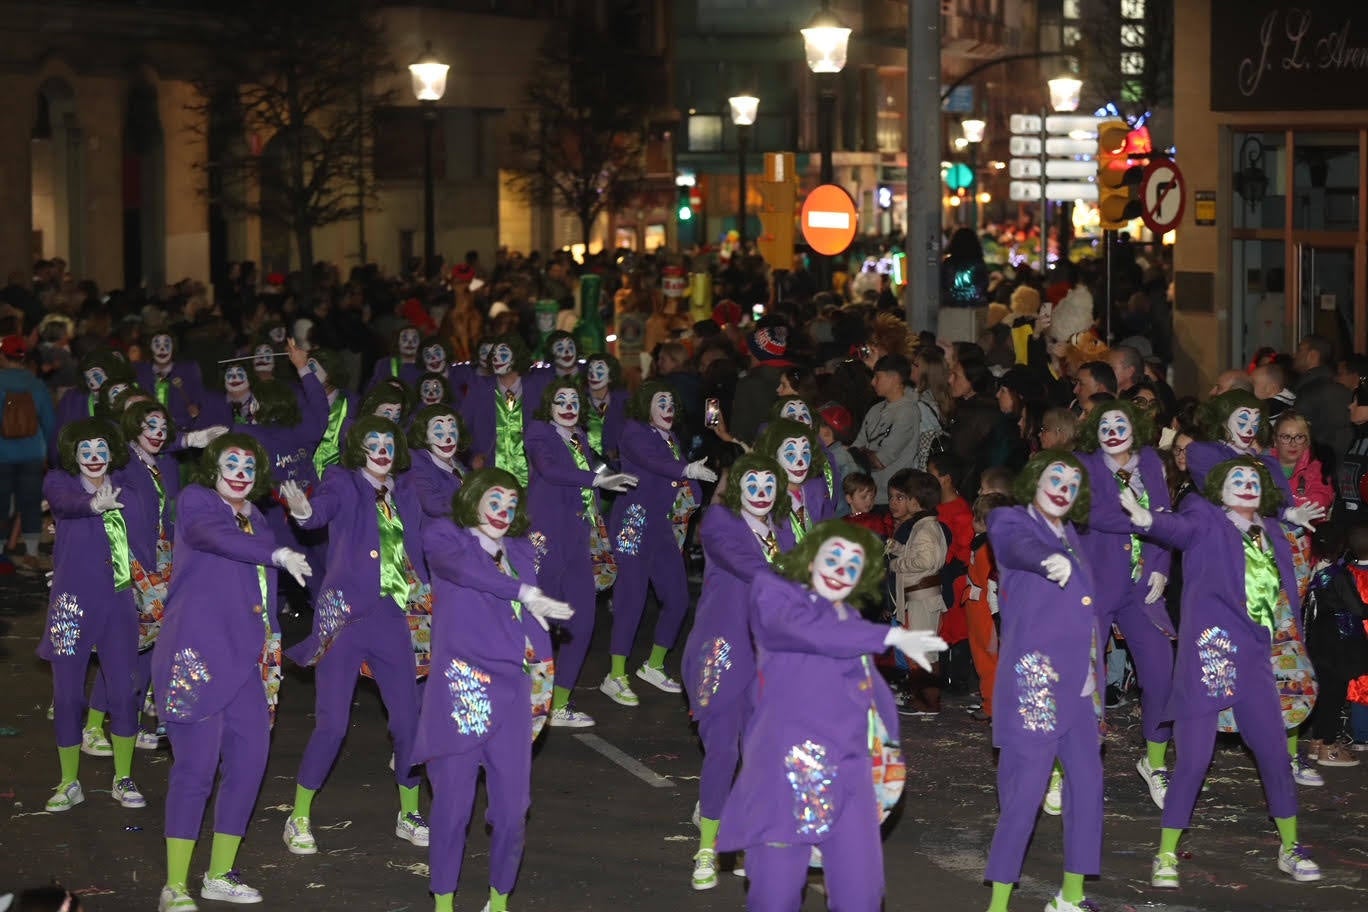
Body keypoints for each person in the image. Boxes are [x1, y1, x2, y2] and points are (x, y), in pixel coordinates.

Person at [715, 520, 944, 912]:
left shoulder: (850, 622)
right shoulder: (776, 595)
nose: (841, 568)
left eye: (853, 563)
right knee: (775, 896)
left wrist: (887, 764)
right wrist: (887, 637)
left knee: (862, 896)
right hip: (783, 782)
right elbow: (805, 632)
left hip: (851, 780)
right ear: (810, 557)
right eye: (833, 556)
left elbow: (874, 701)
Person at [1118, 457, 1323, 887]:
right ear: (1219, 489)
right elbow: (1181, 528)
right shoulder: (1206, 518)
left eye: (1253, 479)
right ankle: (1166, 854)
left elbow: (1288, 600)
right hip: (1209, 661)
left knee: (1275, 758)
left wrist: (1289, 517)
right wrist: (1145, 519)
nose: (1246, 484)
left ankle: (1290, 847)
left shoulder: (1273, 533)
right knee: (1193, 760)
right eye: (1236, 478)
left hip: (1256, 664)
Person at [153, 433, 311, 911]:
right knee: (196, 770)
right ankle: (174, 885)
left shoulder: (257, 516)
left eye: (249, 464)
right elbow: (209, 537)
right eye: (231, 461)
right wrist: (276, 554)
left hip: (248, 657)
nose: (241, 471)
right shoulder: (197, 501)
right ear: (214, 467)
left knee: (248, 765)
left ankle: (218, 873)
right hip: (197, 655)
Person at [414, 469, 572, 912]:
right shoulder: (445, 536)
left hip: (513, 693)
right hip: (460, 691)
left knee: (512, 811)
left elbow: (535, 619)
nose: (503, 510)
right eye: (494, 499)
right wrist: (520, 590)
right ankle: (444, 904)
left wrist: (544, 677)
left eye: (511, 502)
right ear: (473, 498)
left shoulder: (521, 548)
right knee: (452, 809)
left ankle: (498, 902)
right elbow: (465, 573)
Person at [278, 417, 432, 855]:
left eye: (388, 441)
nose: (381, 449)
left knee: (407, 724)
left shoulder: (406, 488)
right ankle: (299, 816)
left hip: (393, 618)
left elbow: (427, 539)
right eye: (373, 442)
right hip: (344, 617)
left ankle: (409, 812)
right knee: (333, 724)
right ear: (358, 448)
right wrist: (303, 510)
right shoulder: (342, 480)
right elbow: (318, 512)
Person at [984, 450, 1105, 912]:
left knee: (1088, 788)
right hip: (1035, 683)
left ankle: (1070, 898)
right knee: (1024, 795)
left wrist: (1093, 675)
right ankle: (997, 905)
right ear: (1034, 479)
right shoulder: (1013, 520)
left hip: (1078, 688)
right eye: (1056, 477)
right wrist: (1045, 560)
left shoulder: (1071, 533)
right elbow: (1015, 546)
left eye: (1073, 483)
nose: (1063, 487)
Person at [681, 453, 794, 891]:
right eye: (753, 483)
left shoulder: (785, 531)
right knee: (724, 751)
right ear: (739, 486)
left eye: (770, 484)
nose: (762, 492)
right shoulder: (719, 523)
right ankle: (708, 848)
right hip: (722, 655)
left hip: (768, 658)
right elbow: (743, 564)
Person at [1073, 399, 1177, 808]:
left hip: (1140, 587)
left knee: (1161, 674)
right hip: (1096, 583)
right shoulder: (1084, 465)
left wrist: (1160, 564)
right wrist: (1143, 518)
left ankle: (1154, 761)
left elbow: (1165, 513)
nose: (1113, 429)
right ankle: (1069, 766)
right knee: (1086, 679)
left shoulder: (1150, 461)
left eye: (1121, 422)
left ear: (1134, 426)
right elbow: (1091, 513)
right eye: (1104, 424)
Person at [40, 419, 144, 814]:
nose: (95, 457)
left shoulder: (127, 486)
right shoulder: (58, 482)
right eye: (86, 450)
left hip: (118, 605)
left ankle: (123, 776)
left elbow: (147, 536)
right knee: (67, 697)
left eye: (101, 449)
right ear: (73, 454)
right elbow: (65, 505)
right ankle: (69, 781)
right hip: (70, 605)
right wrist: (92, 504)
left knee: (123, 692)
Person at [525, 379, 637, 728]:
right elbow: (551, 471)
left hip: (579, 539)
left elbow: (599, 473)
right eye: (561, 399)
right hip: (546, 537)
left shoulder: (582, 438)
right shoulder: (539, 432)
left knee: (583, 621)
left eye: (575, 399)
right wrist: (597, 480)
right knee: (536, 623)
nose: (569, 404)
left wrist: (611, 479)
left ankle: (559, 704)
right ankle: (525, 700)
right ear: (549, 404)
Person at [602, 382, 716, 706]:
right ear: (645, 405)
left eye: (670, 401)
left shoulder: (670, 437)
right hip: (632, 523)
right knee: (631, 599)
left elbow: (673, 474)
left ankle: (653, 665)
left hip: (660, 527)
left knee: (678, 598)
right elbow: (654, 463)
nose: (667, 406)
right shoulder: (634, 432)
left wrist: (692, 486)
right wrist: (686, 468)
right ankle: (615, 674)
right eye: (660, 400)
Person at [886, 468, 948, 714]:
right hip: (920, 597)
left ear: (917, 501)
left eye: (908, 497)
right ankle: (924, 699)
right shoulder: (925, 527)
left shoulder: (924, 529)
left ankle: (928, 703)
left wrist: (897, 563)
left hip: (921, 597)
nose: (904, 501)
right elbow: (921, 555)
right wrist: (900, 548)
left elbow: (925, 561)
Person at [0, 335, 56, 569]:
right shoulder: (36, 384)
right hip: (32, 453)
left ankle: (1, 550)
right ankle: (31, 552)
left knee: (1, 502)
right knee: (31, 502)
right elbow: (50, 422)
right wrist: (51, 453)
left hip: (2, 454)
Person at [851, 354, 922, 503]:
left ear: (895, 379)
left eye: (878, 377)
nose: (872, 382)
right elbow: (856, 447)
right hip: (866, 493)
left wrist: (861, 453)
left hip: (889, 497)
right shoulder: (876, 409)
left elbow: (881, 460)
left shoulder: (907, 412)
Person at [964, 493, 1011, 722]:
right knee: (985, 659)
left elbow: (987, 583)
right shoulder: (983, 545)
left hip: (983, 612)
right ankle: (991, 702)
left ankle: (993, 706)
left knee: (987, 660)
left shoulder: (986, 550)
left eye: (975, 517)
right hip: (977, 609)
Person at [465, 334, 535, 483]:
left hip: (532, 479)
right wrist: (472, 456)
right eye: (494, 354)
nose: (496, 358)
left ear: (517, 356)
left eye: (502, 354)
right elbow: (461, 427)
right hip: (491, 477)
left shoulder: (537, 389)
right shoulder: (479, 390)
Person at [754, 418, 832, 542]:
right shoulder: (764, 496)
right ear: (773, 456)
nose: (800, 462)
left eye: (805, 452)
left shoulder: (817, 489)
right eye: (791, 454)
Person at [1294, 334, 1352, 461]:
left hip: (1318, 469)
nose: (1295, 356)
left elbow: (1297, 435)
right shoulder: (1341, 389)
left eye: (1300, 350)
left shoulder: (1309, 392)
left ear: (1313, 356)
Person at [407, 405, 468, 519]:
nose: (448, 438)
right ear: (424, 436)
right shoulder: (417, 464)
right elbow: (433, 505)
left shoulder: (458, 465)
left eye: (452, 431)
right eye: (439, 433)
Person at [1272, 411, 1333, 517]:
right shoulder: (1261, 466)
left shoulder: (1319, 470)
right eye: (1286, 437)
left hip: (1305, 531)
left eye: (1299, 437)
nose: (1293, 444)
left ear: (1308, 441)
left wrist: (1273, 500)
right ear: (1275, 440)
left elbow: (1318, 503)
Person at [583, 354, 628, 461]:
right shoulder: (576, 400)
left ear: (611, 376)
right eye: (590, 370)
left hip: (619, 468)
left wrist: (618, 452)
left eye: (599, 370)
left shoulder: (625, 402)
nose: (593, 375)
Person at [842, 471, 893, 538]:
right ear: (849, 499)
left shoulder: (876, 520)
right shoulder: (842, 522)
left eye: (872, 497)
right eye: (863, 497)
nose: (869, 501)